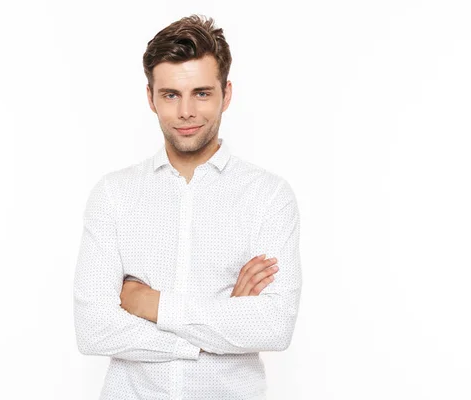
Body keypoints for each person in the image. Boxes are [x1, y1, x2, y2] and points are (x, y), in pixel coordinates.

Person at [73, 14, 302, 400]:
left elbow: (274, 325)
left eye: (201, 93)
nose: (185, 113)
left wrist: (151, 304)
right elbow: (94, 328)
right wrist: (215, 331)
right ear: (150, 98)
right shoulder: (113, 194)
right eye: (170, 95)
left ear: (226, 94)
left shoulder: (269, 197)